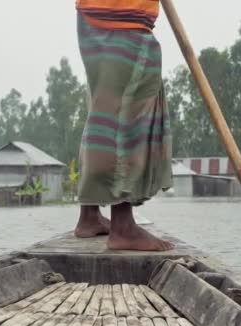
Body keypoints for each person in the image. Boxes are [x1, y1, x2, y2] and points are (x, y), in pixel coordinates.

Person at [73, 0, 174, 251]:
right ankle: (123, 227)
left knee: (103, 107)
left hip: (90, 14)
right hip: (125, 14)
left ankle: (89, 215)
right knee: (128, 116)